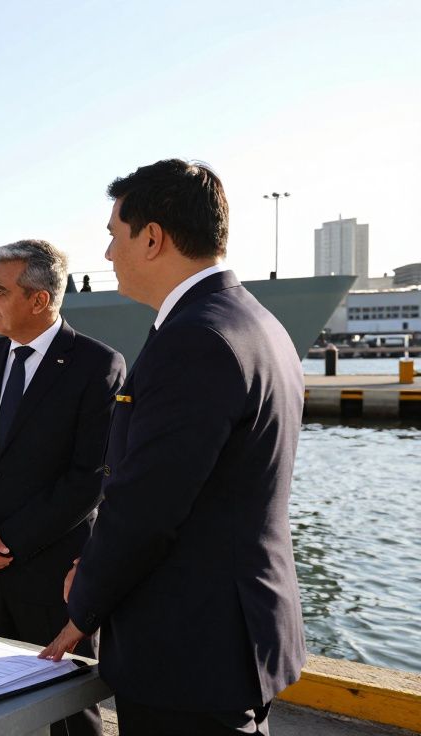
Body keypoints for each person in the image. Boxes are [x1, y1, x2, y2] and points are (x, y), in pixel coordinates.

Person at [40, 159, 307, 735]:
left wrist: (85, 604)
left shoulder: (194, 339)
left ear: (152, 238)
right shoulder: (255, 323)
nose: (108, 253)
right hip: (232, 631)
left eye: (114, 235)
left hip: (191, 646)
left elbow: (148, 503)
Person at [0, 239, 124, 736]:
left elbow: (89, 477)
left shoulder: (98, 366)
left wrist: (7, 542)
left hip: (51, 580)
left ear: (39, 299)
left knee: (69, 716)